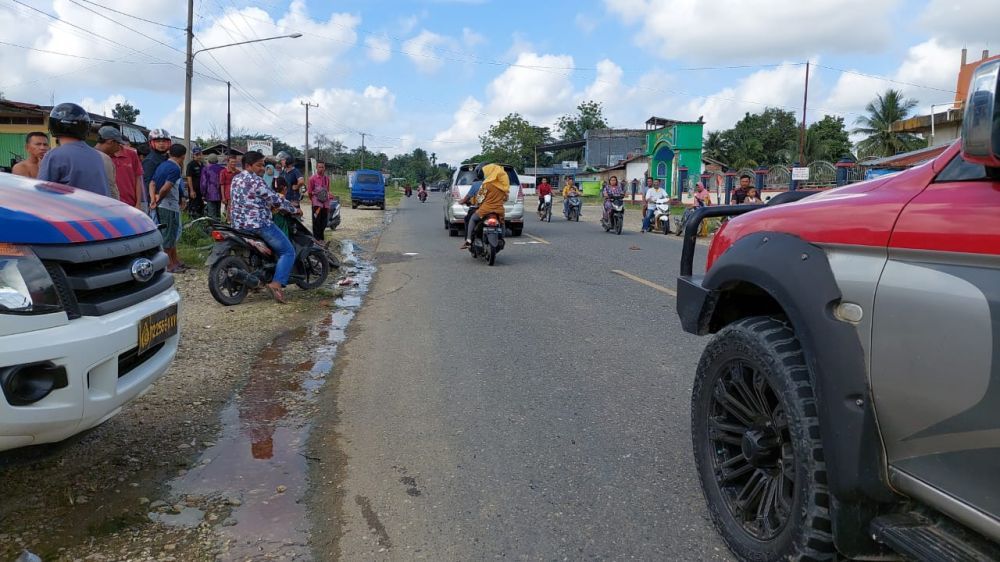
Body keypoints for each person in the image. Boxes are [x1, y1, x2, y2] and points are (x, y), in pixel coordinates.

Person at [230, 150, 301, 303]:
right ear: (248, 165)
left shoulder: (236, 179)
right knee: (288, 252)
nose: (262, 168)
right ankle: (276, 284)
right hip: (259, 224)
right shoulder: (256, 181)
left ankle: (256, 280)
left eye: (263, 165)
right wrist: (295, 209)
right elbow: (275, 199)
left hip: (238, 224)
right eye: (259, 165)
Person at [37, 103, 109, 196]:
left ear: (54, 126)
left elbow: (41, 195)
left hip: (70, 210)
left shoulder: (54, 156)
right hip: (97, 209)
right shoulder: (97, 156)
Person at [150, 144, 188, 273]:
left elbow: (152, 183)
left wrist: (153, 198)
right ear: (183, 156)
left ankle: (175, 260)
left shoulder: (162, 165)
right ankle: (169, 265)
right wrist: (159, 198)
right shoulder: (175, 168)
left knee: (171, 235)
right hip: (168, 206)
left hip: (164, 205)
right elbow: (166, 188)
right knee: (168, 236)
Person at [460, 163, 509, 250]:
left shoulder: (486, 184)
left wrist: (472, 201)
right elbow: (505, 198)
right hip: (499, 210)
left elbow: (479, 199)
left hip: (486, 209)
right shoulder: (503, 185)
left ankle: (468, 240)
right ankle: (502, 238)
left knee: (473, 219)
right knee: (502, 222)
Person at [112, 137, 145, 210]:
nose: (126, 147)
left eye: (127, 145)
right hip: (110, 202)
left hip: (130, 204)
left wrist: (138, 203)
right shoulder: (105, 154)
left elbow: (138, 180)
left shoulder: (132, 155)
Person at [94, 126, 124, 201]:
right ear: (110, 141)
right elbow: (111, 188)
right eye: (118, 143)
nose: (119, 147)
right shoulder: (105, 159)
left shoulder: (87, 154)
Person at [142, 128, 171, 206]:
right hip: (156, 200)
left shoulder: (169, 158)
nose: (161, 144)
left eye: (164, 141)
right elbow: (147, 183)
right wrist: (151, 200)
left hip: (169, 199)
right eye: (158, 141)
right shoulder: (150, 160)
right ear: (151, 143)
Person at [307, 161, 331, 240]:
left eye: (323, 167)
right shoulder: (312, 179)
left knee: (324, 222)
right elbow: (310, 192)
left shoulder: (327, 179)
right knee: (316, 222)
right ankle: (317, 240)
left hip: (325, 205)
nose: (321, 169)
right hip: (317, 205)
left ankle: (321, 239)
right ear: (316, 168)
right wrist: (313, 200)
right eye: (319, 167)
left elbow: (327, 190)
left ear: (325, 168)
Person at [200, 154, 223, 219]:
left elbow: (203, 183)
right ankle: (219, 227)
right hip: (220, 194)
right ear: (217, 160)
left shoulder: (205, 169)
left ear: (209, 160)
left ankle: (213, 228)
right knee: (218, 213)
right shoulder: (222, 169)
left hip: (210, 194)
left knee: (212, 215)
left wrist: (203, 194)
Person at [185, 145, 205, 218]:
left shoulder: (202, 165)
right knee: (193, 206)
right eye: (197, 154)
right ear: (193, 155)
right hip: (194, 189)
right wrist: (191, 190)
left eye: (200, 154)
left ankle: (200, 221)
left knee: (201, 206)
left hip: (201, 189)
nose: (198, 156)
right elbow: (189, 177)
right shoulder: (191, 165)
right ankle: (192, 223)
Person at [220, 154, 239, 221]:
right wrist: (223, 197)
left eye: (235, 162)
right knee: (229, 210)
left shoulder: (238, 172)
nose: (233, 163)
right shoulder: (223, 172)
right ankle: (229, 223)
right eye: (232, 162)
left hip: (237, 193)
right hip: (228, 194)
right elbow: (222, 185)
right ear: (228, 162)